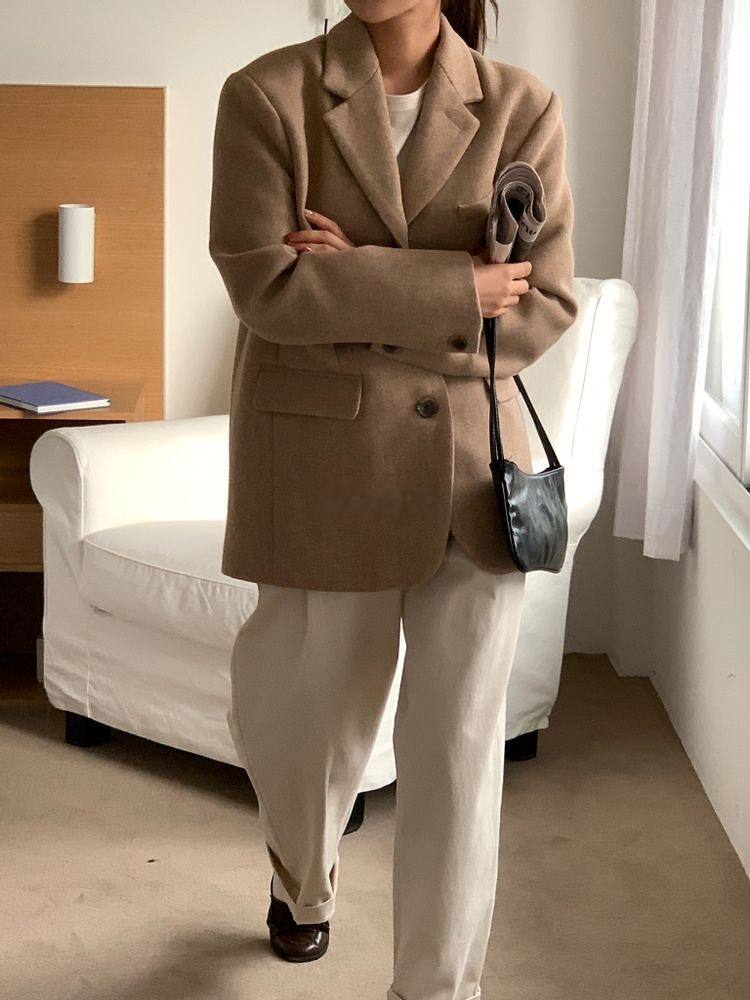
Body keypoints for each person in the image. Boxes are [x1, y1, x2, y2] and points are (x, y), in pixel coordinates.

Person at [208, 1, 577, 997]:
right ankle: (302, 879)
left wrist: (361, 277)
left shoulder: (522, 107)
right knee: (306, 727)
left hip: (473, 473)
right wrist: (458, 288)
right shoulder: (267, 98)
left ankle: (435, 988)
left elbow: (541, 307)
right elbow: (268, 290)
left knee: (458, 753)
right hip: (322, 467)